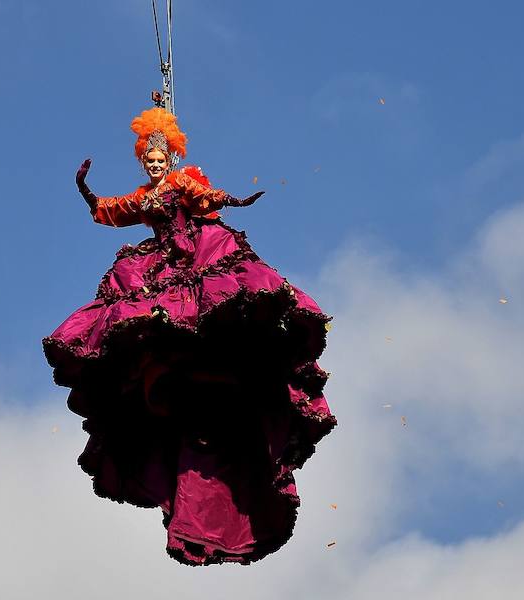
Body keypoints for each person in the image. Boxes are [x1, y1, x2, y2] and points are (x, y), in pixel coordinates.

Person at [43, 107, 336, 566]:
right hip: (160, 258)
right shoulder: (143, 196)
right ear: (145, 161)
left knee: (216, 296)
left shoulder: (182, 184)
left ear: (171, 157)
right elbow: (109, 210)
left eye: (161, 159)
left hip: (194, 248)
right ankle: (173, 360)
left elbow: (205, 197)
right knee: (136, 297)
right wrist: (84, 190)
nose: (156, 165)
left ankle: (211, 348)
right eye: (150, 160)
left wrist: (235, 201)